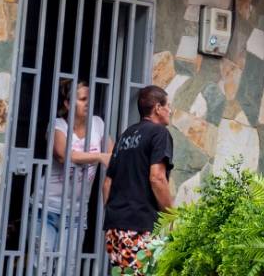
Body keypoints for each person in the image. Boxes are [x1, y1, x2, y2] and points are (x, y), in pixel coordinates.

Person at [103, 86, 173, 275]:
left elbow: (107, 183)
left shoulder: (125, 135)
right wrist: (172, 215)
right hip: (138, 227)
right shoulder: (159, 133)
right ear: (158, 108)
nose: (170, 110)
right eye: (168, 105)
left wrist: (114, 215)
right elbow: (157, 178)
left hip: (114, 228)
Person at [41, 80, 110, 260]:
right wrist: (98, 156)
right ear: (68, 103)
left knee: (67, 268)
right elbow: (64, 155)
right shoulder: (58, 125)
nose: (88, 103)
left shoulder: (98, 124)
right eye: (82, 99)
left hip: (77, 212)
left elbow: (112, 155)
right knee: (41, 266)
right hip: (47, 206)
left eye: (90, 98)